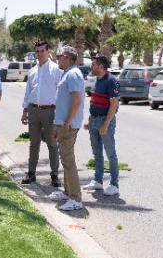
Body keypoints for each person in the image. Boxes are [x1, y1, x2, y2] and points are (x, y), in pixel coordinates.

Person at [21, 41, 63, 187]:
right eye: (37, 51)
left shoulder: (56, 70)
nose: (39, 54)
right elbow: (28, 92)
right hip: (33, 110)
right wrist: (25, 111)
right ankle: (31, 173)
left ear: (48, 51)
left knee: (52, 144)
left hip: (50, 111)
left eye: (42, 51)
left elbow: (60, 94)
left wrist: (58, 116)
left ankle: (55, 176)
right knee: (34, 143)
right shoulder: (32, 71)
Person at [49, 46, 85, 211]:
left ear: (67, 58)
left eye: (59, 56)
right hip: (63, 124)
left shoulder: (73, 74)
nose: (57, 59)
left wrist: (66, 123)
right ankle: (67, 192)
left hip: (68, 126)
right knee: (65, 159)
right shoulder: (67, 73)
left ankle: (76, 199)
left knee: (68, 161)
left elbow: (77, 101)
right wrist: (59, 124)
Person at [83, 56, 121, 196]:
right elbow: (95, 101)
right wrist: (90, 121)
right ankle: (98, 181)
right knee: (97, 152)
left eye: (93, 64)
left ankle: (114, 184)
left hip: (105, 121)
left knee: (110, 154)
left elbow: (114, 104)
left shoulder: (112, 81)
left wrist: (106, 124)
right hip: (94, 120)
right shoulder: (98, 80)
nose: (91, 67)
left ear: (100, 66)